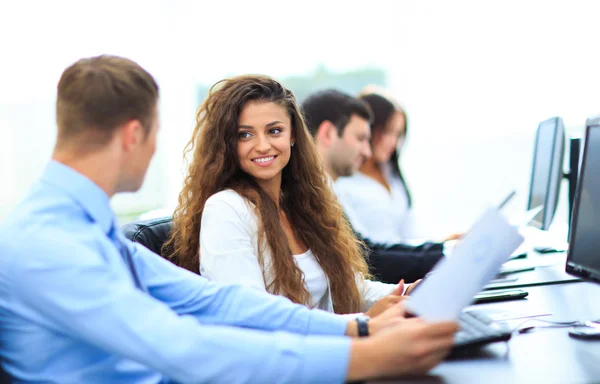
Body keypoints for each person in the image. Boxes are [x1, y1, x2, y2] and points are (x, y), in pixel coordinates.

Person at [0, 55, 458, 383]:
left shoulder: (83, 226)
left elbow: (217, 303)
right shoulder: (48, 243)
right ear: (133, 134)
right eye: (158, 132)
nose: (157, 147)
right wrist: (364, 358)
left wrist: (360, 327)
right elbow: (183, 348)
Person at [167, 75, 412, 317]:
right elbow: (254, 316)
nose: (262, 145)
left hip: (334, 349)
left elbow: (352, 289)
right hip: (292, 354)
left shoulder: (302, 203)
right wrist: (361, 324)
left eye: (274, 131)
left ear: (293, 134)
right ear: (227, 143)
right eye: (245, 134)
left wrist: (408, 291)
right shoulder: (226, 209)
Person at [302, 89, 446, 283]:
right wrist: (444, 256)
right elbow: (367, 259)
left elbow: (365, 251)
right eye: (361, 139)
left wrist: (444, 249)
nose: (367, 152)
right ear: (327, 133)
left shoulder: (326, 190)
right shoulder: (308, 197)